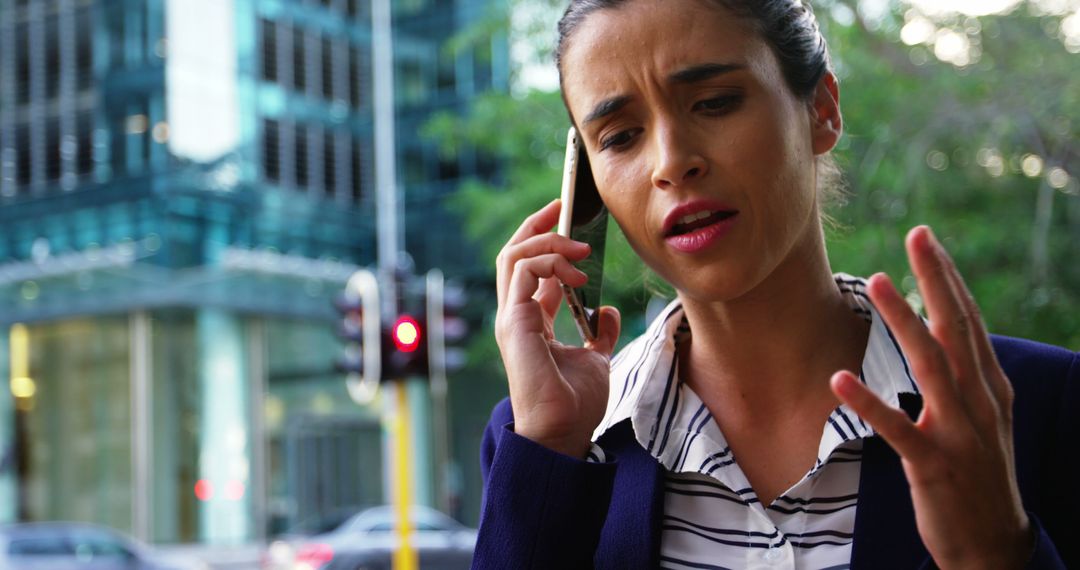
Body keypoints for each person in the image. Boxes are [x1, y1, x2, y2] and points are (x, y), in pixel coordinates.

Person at [473, 0, 1079, 568]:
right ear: (587, 187)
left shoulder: (1041, 405)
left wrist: (1001, 552)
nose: (670, 161)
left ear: (822, 110)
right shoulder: (544, 440)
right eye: (620, 137)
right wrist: (551, 450)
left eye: (713, 102)